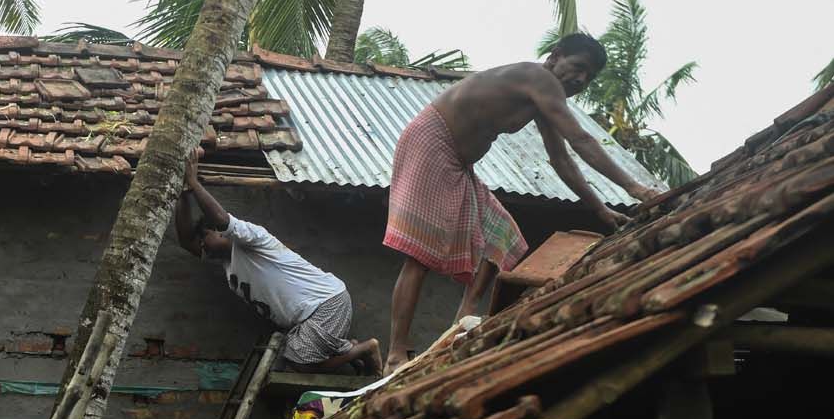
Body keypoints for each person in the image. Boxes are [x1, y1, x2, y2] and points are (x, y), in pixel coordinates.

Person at [384, 33, 661, 372]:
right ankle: (396, 353)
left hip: (459, 164)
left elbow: (561, 160)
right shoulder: (539, 78)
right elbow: (581, 140)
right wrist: (637, 189)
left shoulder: (544, 96)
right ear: (556, 56)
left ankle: (458, 331)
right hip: (432, 144)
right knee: (420, 254)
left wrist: (600, 209)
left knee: (501, 236)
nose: (580, 79)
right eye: (577, 68)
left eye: (588, 77)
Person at [175, 147, 382, 374]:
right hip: (309, 318)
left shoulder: (251, 239)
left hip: (326, 304)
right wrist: (184, 191)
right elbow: (186, 241)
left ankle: (366, 349)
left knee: (300, 361)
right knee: (294, 358)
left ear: (220, 232)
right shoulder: (227, 264)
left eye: (205, 236)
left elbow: (221, 218)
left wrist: (194, 183)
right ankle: (350, 350)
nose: (202, 244)